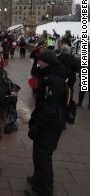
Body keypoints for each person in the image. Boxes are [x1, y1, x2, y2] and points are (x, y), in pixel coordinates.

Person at [25, 50, 67, 196]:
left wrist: (38, 126)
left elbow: (50, 108)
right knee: (38, 153)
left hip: (51, 125)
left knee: (43, 156)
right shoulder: (49, 75)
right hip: (48, 122)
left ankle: (44, 189)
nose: (38, 64)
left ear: (47, 62)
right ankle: (38, 179)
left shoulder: (54, 80)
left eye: (40, 61)